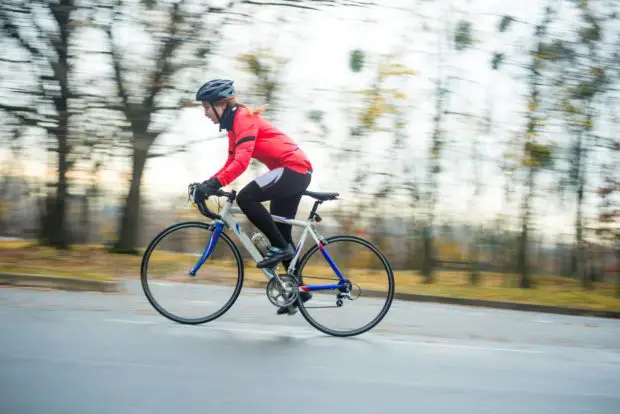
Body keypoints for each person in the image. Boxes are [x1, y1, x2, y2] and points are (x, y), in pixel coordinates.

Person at [192, 78, 312, 314]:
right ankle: (298, 291)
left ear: (221, 103)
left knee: (247, 198)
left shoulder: (243, 118)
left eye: (206, 107)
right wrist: (208, 183)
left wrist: (213, 184)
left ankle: (281, 251)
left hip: (293, 169)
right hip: (290, 172)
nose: (205, 113)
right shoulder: (233, 125)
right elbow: (230, 162)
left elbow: (241, 163)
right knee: (281, 233)